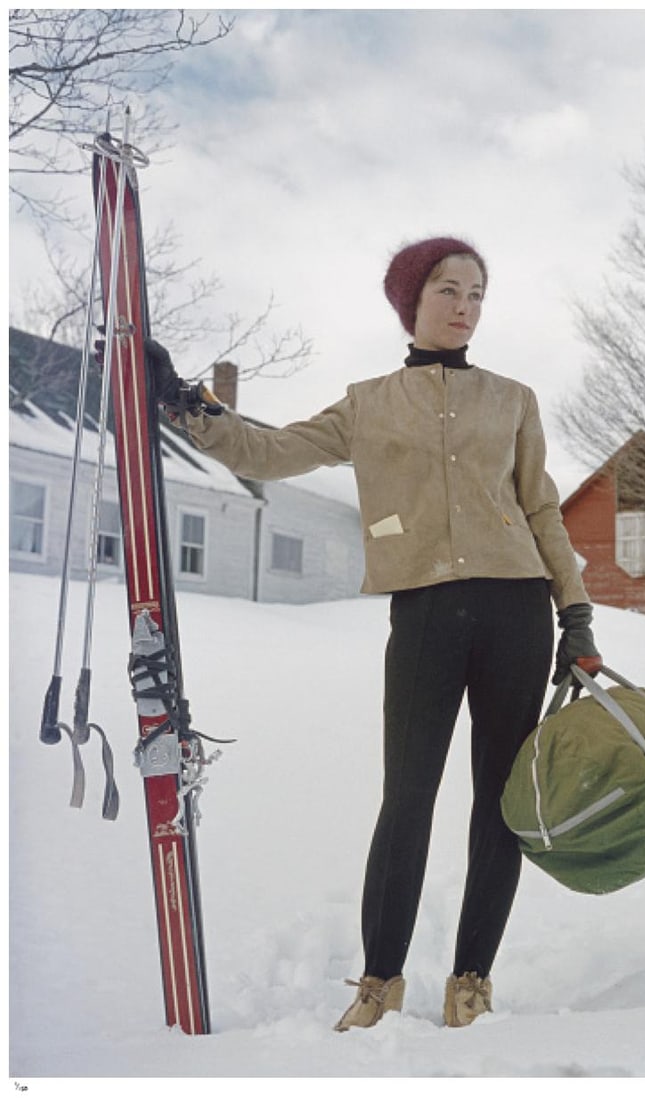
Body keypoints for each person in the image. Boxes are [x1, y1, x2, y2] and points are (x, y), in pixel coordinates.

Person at [147, 236, 601, 1030]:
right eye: (448, 291)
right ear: (411, 302)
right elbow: (273, 450)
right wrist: (191, 408)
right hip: (423, 612)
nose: (465, 308)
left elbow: (539, 510)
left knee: (499, 802)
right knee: (407, 797)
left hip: (515, 611)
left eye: (476, 295)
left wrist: (576, 613)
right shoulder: (367, 402)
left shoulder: (513, 399)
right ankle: (379, 982)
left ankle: (471, 981)